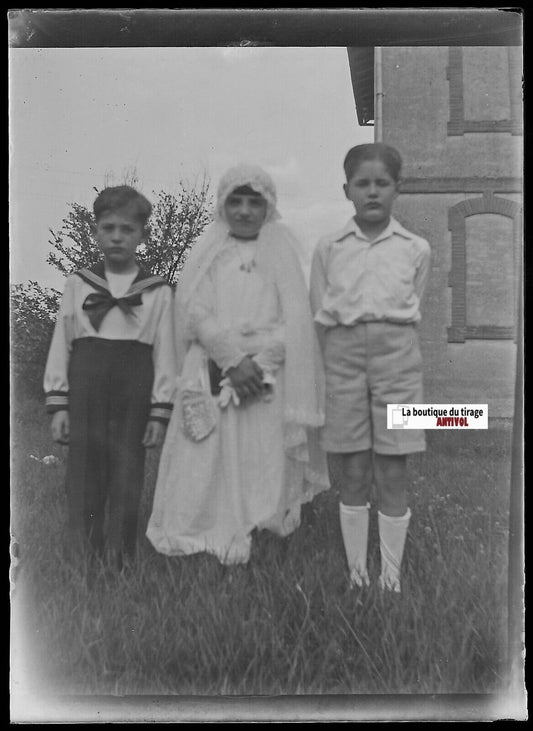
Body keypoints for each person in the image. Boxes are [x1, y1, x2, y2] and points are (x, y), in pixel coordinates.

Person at [146, 164, 329, 565]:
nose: (245, 211)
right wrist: (231, 359)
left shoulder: (280, 253)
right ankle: (201, 527)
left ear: (269, 207)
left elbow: (295, 319)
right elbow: (194, 309)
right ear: (222, 205)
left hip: (266, 373)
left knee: (261, 451)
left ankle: (260, 525)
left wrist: (259, 364)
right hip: (212, 364)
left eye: (255, 202)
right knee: (206, 449)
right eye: (236, 201)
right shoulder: (209, 252)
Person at [310, 143, 431, 593]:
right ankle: (358, 575)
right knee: (354, 467)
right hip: (342, 358)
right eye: (363, 184)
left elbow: (413, 302)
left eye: (382, 183)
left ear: (398, 188)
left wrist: (384, 340)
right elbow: (319, 307)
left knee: (393, 466)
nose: (373, 192)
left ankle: (391, 579)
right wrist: (342, 351)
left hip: (397, 358)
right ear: (347, 190)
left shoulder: (416, 249)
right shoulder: (330, 248)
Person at [44, 185, 177, 567]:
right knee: (84, 473)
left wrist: (159, 411)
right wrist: (59, 404)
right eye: (108, 228)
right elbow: (62, 343)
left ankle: (119, 560)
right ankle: (82, 558)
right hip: (86, 383)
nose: (117, 236)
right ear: (96, 231)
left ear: (142, 235)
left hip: (134, 386)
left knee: (126, 471)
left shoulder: (157, 292)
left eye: (127, 229)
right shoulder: (78, 284)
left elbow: (166, 354)